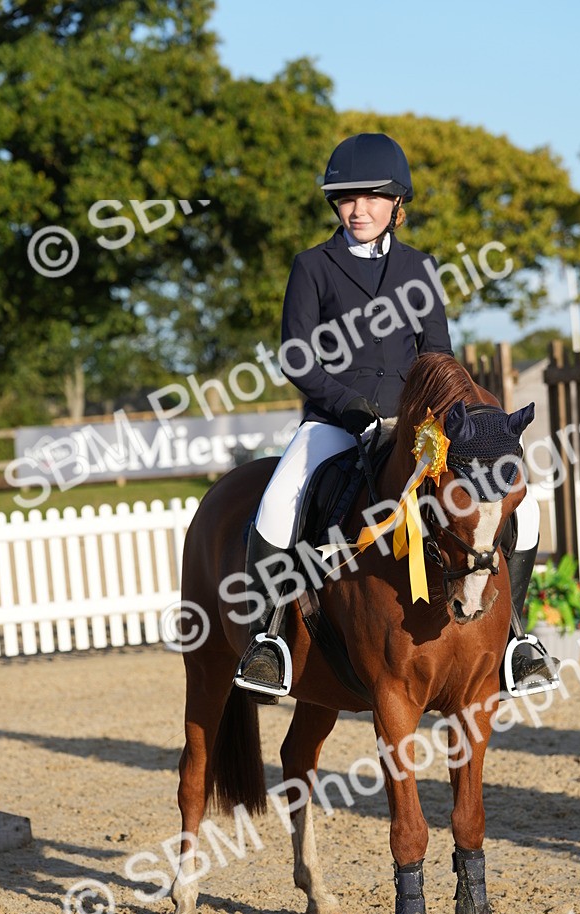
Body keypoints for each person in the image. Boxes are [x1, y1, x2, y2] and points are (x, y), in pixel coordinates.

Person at [233, 132, 556, 703]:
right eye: (347, 199)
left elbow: (437, 354)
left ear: (396, 204)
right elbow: (297, 356)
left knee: (519, 510)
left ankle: (514, 639)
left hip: (419, 428)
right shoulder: (312, 266)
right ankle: (271, 641)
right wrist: (346, 405)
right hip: (336, 420)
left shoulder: (420, 268)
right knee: (279, 504)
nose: (358, 210)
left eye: (372, 199)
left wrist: (455, 416)